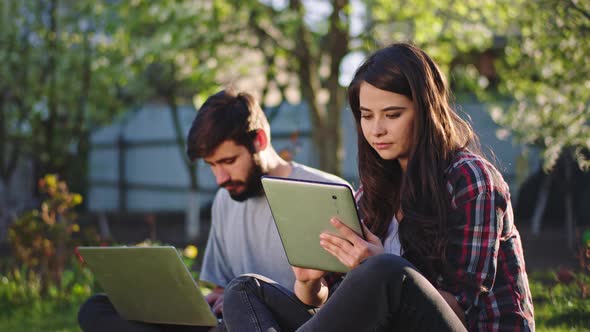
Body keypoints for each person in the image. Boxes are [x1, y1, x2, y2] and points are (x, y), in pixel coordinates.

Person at [222, 43, 535, 331]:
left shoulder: (471, 178)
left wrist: (375, 267)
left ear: (426, 111)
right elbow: (328, 300)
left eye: (393, 115)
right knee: (245, 290)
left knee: (385, 268)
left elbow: (461, 311)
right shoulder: (370, 193)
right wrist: (309, 283)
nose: (376, 130)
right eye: (366, 116)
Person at [77, 90, 349, 332]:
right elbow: (222, 288)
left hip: (287, 322)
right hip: (228, 322)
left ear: (260, 140)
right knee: (97, 308)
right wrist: (202, 301)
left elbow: (344, 304)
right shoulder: (225, 199)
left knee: (241, 293)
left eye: (229, 161)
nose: (220, 178)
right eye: (211, 165)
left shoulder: (324, 190)